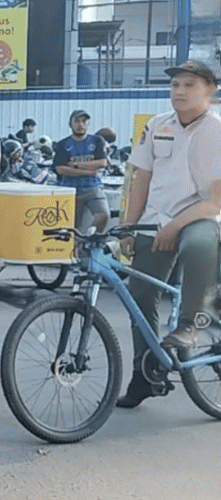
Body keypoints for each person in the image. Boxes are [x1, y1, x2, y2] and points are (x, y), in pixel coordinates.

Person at [116, 60, 221, 408]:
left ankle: (192, 324)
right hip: (154, 219)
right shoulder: (157, 125)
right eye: (175, 85)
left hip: (200, 217)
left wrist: (175, 226)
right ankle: (145, 375)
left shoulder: (217, 131)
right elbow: (140, 178)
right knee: (139, 295)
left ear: (211, 90)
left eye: (190, 85)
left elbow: (214, 200)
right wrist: (128, 228)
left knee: (198, 245)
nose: (179, 91)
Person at [53, 109, 111, 233]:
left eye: (84, 121)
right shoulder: (63, 144)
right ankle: (76, 247)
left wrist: (75, 165)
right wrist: (89, 170)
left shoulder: (97, 141)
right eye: (77, 121)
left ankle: (90, 241)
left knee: (104, 215)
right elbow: (60, 169)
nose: (80, 124)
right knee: (71, 226)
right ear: (70, 124)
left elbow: (102, 163)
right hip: (70, 189)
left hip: (92, 186)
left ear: (88, 123)